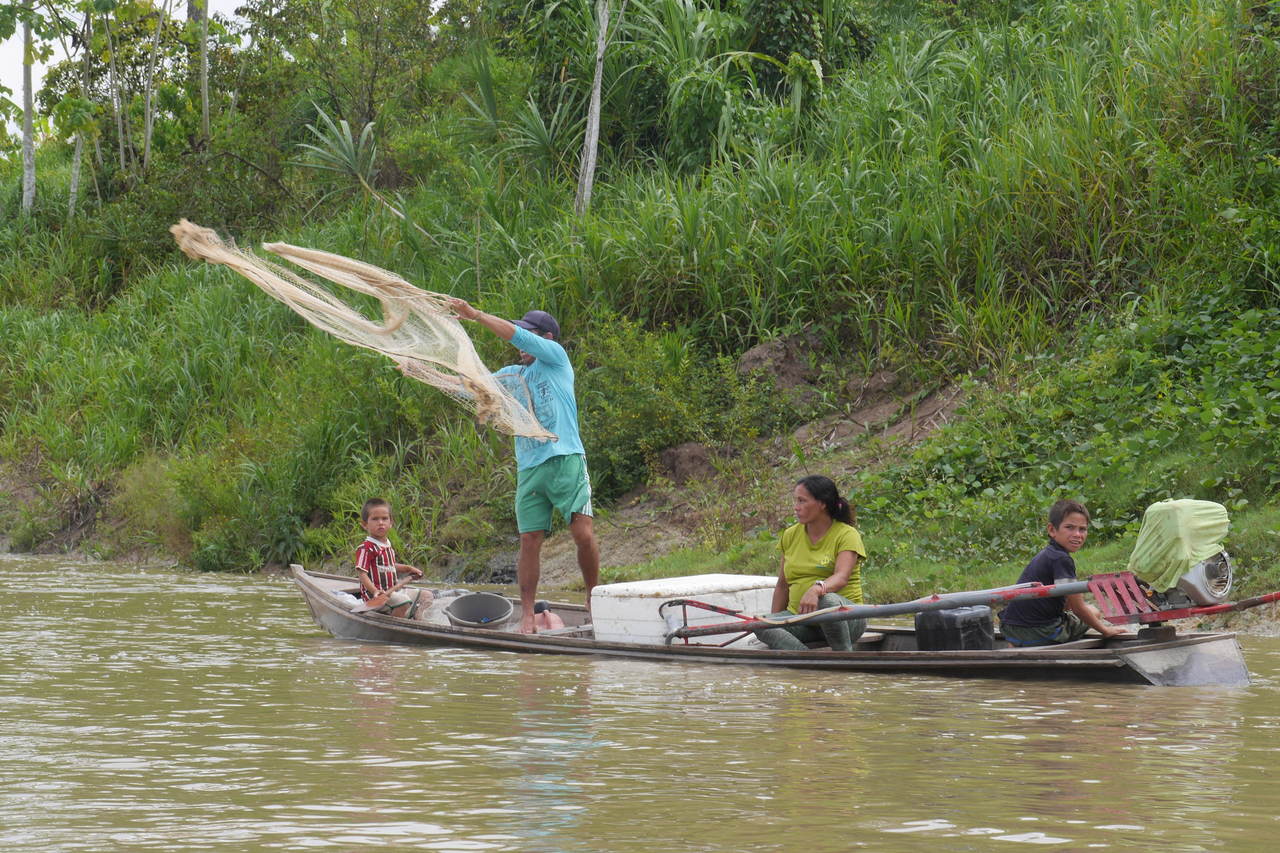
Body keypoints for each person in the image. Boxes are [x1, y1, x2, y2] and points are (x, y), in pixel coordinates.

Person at [447, 298, 600, 633]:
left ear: (546, 338)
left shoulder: (556, 359)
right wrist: (423, 366)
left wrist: (476, 315)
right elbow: (474, 385)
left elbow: (517, 336)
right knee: (529, 539)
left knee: (582, 533)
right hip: (530, 469)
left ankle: (592, 597)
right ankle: (528, 614)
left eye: (530, 335)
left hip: (565, 459)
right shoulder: (513, 376)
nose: (520, 346)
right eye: (524, 335)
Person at [754, 475, 868, 651]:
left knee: (827, 601)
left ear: (822, 504)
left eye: (802, 501)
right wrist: (774, 623)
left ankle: (843, 657)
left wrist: (815, 589)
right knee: (760, 623)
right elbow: (783, 585)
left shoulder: (847, 534)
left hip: (846, 619)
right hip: (803, 621)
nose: (796, 507)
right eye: (796, 501)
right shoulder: (790, 535)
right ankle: (807, 662)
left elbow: (841, 577)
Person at [999, 499, 1126, 646]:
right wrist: (1105, 630)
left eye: (1082, 529)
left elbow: (1067, 603)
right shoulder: (1061, 559)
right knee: (1093, 611)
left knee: (1081, 611)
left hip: (1011, 629)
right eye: (1070, 527)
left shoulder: (1047, 554)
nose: (1077, 534)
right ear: (1052, 530)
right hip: (1041, 632)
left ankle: (1016, 643)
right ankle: (1030, 642)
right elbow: (1078, 608)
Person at [355, 497, 430, 619]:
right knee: (403, 602)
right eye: (375, 519)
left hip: (393, 591)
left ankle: (417, 620)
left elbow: (389, 565)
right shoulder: (366, 548)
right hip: (375, 596)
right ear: (364, 525)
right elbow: (362, 574)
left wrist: (408, 569)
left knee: (426, 596)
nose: (380, 522)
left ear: (391, 523)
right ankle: (396, 623)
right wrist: (375, 591)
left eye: (384, 518)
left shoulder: (387, 544)